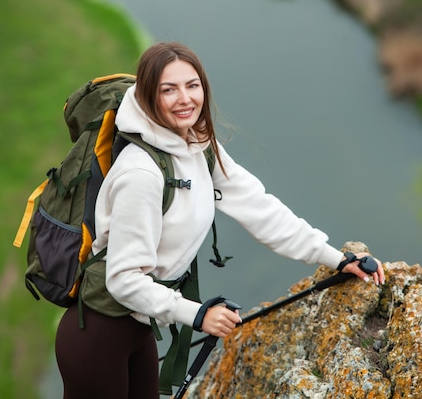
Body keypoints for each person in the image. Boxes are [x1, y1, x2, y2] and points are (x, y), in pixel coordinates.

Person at [54, 41, 385, 399]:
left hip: (140, 330)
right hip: (99, 336)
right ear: (149, 97)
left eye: (192, 85)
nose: (185, 99)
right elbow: (123, 280)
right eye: (169, 90)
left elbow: (259, 208)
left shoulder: (197, 144)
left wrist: (335, 257)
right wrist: (197, 315)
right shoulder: (141, 173)